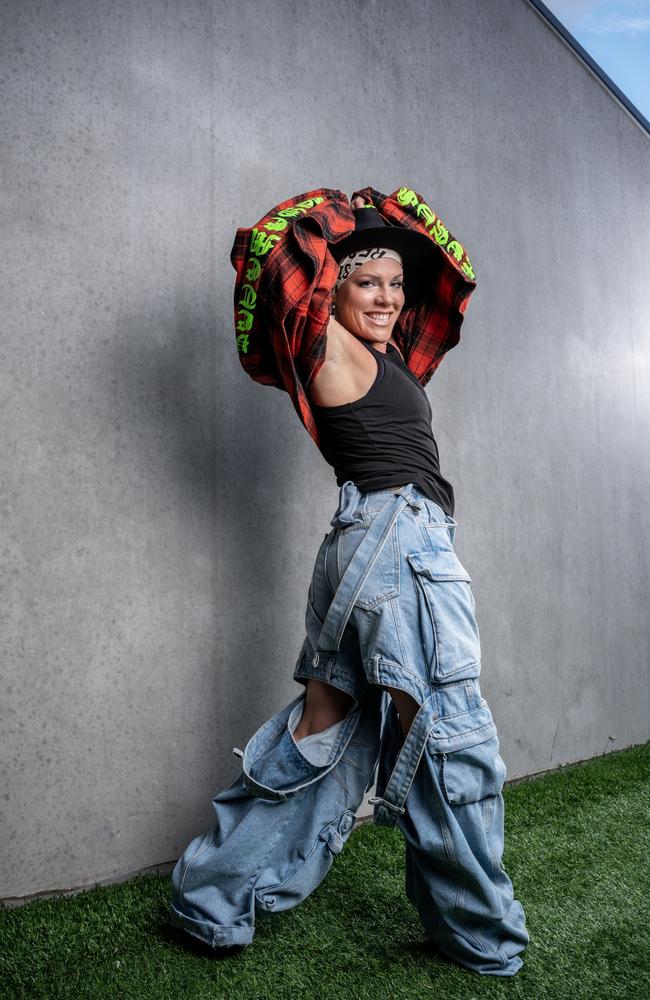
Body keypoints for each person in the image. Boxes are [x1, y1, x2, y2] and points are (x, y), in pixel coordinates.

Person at [169, 194, 530, 977]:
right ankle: (483, 938)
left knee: (324, 737)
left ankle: (210, 897)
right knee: (445, 734)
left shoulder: (388, 357)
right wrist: (350, 221)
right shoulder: (328, 344)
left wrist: (389, 248)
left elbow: (435, 292)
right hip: (399, 549)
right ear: (333, 291)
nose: (390, 298)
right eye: (370, 283)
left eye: (397, 286)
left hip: (365, 546)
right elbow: (286, 266)